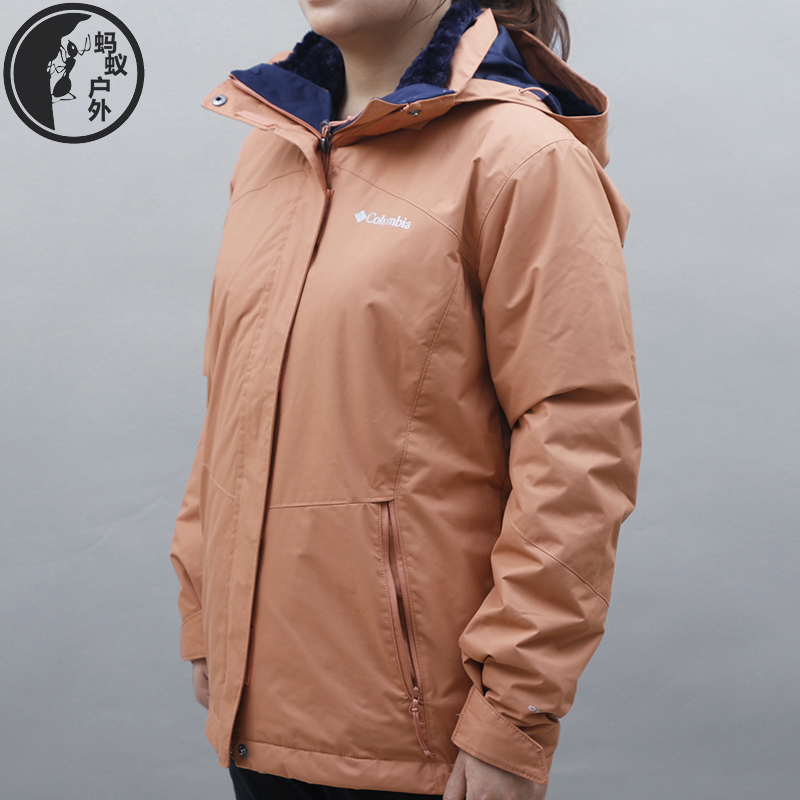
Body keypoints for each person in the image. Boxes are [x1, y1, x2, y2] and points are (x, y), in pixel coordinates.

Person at [170, 1, 642, 798]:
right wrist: (204, 611)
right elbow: (231, 408)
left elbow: (578, 450)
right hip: (258, 718)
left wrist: (513, 714)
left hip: (421, 739)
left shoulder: (522, 158)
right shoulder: (272, 149)